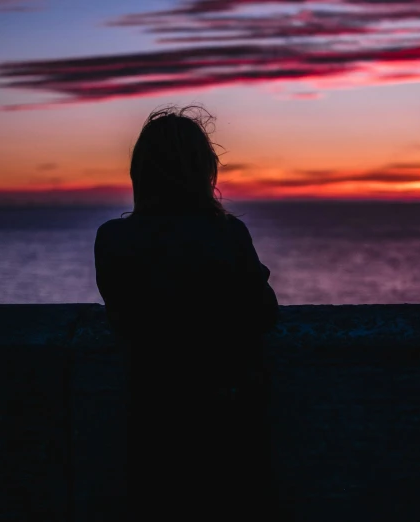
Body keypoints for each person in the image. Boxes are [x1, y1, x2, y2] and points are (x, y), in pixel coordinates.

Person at [93, 105, 281, 521]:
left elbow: (122, 318)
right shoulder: (226, 233)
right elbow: (264, 314)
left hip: (153, 418)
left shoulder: (113, 240)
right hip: (228, 418)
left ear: (140, 172)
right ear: (204, 172)